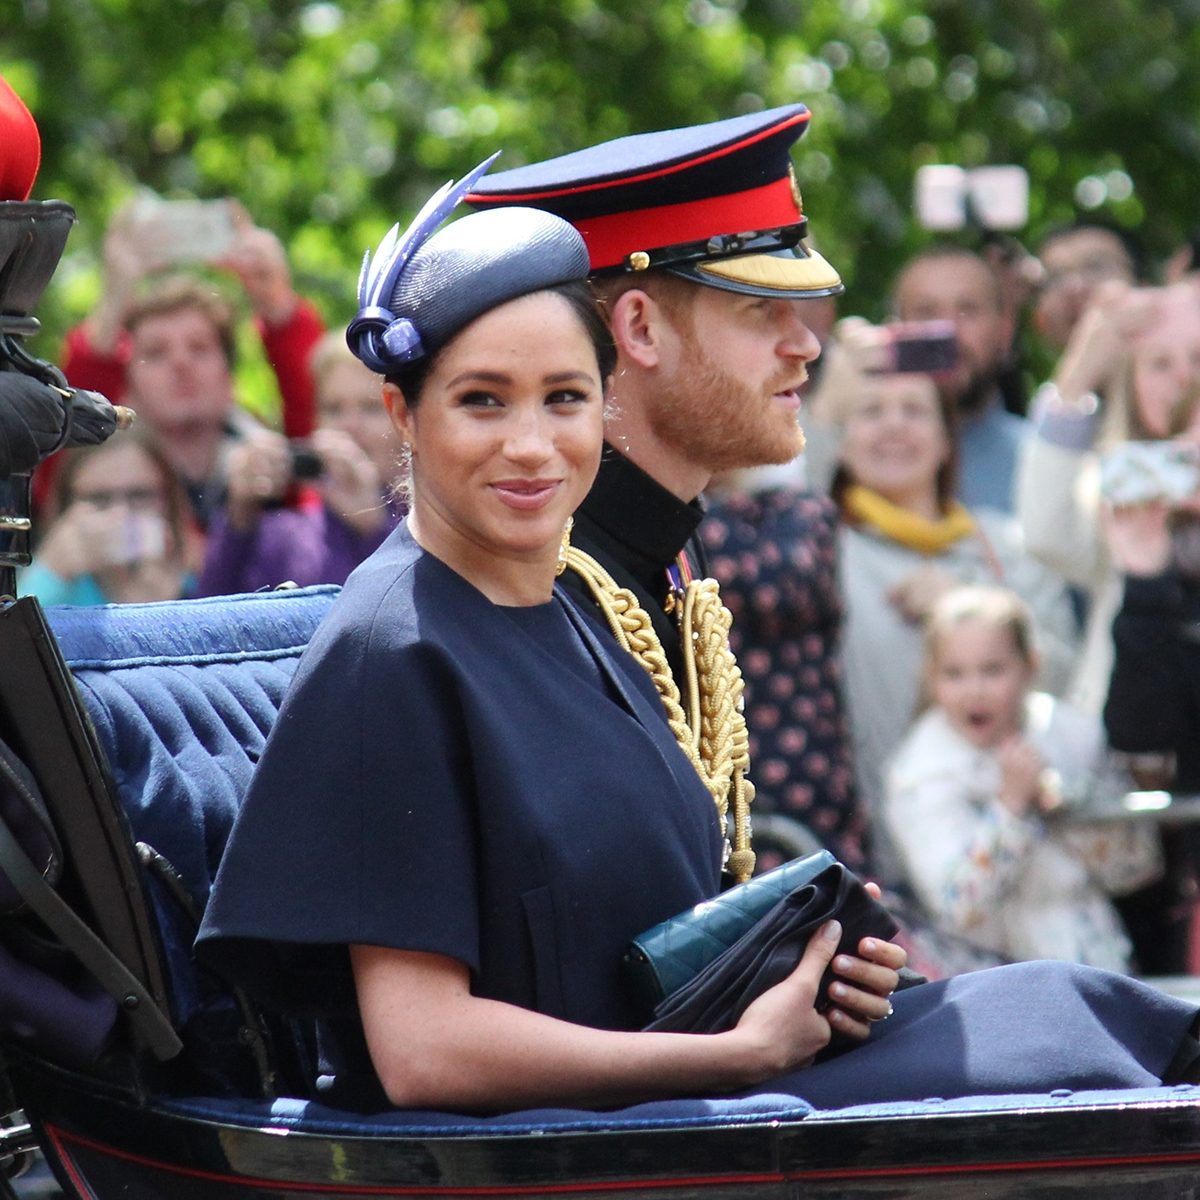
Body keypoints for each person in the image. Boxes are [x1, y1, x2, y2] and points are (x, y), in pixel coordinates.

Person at [197, 162, 1200, 1119]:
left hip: (688, 1098)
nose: (532, 444)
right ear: (401, 413)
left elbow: (630, 935)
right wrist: (736, 1056)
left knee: (1078, 1013)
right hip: (611, 1139)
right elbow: (422, 1053)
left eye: (565, 399)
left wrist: (797, 965)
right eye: (481, 400)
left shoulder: (570, 612)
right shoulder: (393, 645)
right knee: (1074, 1051)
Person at [466, 105, 843, 880]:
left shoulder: (660, 548)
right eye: (760, 309)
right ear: (639, 330)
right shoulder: (532, 583)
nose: (805, 343)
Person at [821, 343, 1078, 882]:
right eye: (871, 411)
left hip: (1029, 857)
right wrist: (822, 405)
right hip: (879, 856)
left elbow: (1063, 679)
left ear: (945, 440)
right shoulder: (820, 551)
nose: (894, 425)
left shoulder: (1004, 548)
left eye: (915, 410)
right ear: (842, 441)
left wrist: (968, 609)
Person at [885, 585, 1160, 973]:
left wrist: (1066, 804)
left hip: (1089, 954)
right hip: (991, 973)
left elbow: (1137, 865)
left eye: (992, 670)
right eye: (954, 674)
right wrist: (1010, 810)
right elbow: (959, 906)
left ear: (1030, 666)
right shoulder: (922, 772)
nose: (975, 692)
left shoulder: (1070, 735)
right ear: (931, 678)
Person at [197, 333, 403, 595]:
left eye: (371, 408)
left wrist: (374, 526)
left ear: (405, 418)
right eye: (333, 408)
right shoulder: (288, 534)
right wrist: (239, 517)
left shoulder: (434, 523)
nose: (349, 425)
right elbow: (213, 608)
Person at [889, 244, 1028, 514]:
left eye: (968, 311)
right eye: (926, 312)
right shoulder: (854, 457)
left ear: (1005, 332)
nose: (948, 330)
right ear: (895, 331)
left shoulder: (1040, 461)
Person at [20, 427, 197, 605]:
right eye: (99, 498)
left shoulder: (199, 583)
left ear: (169, 501)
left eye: (139, 495)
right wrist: (50, 576)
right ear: (66, 505)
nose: (120, 515)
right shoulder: (40, 581)